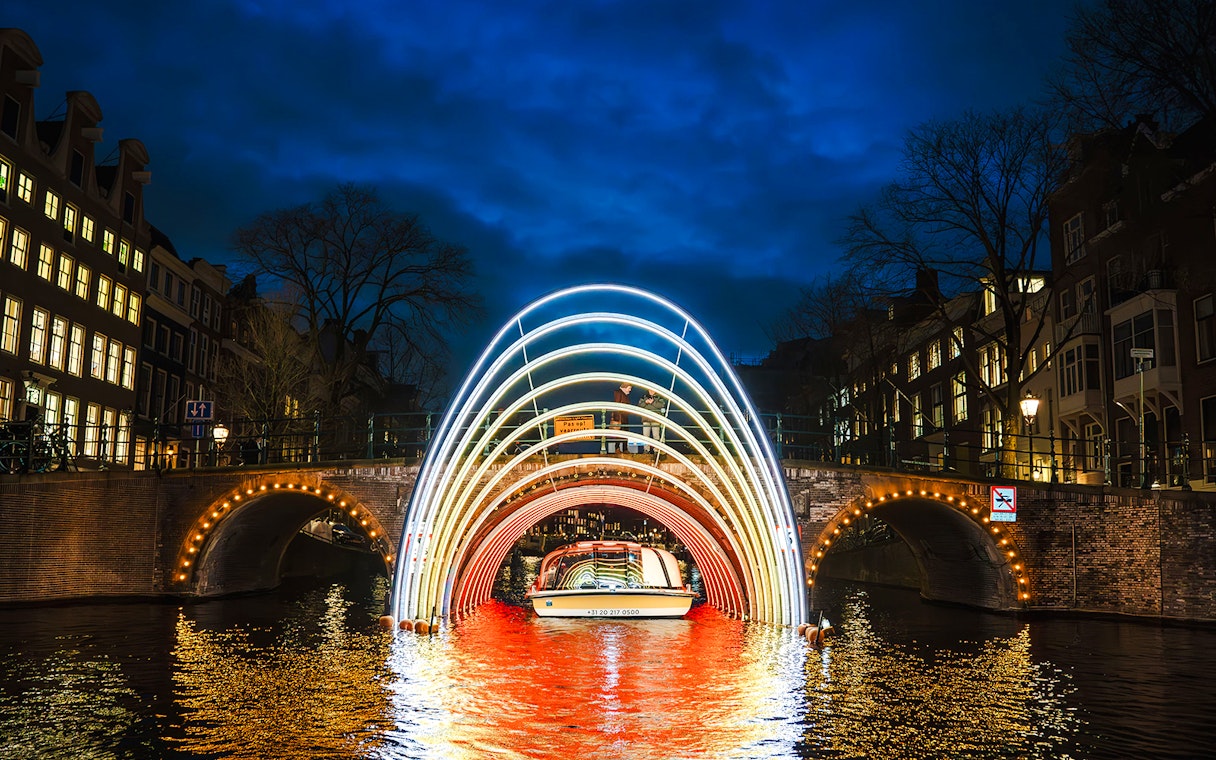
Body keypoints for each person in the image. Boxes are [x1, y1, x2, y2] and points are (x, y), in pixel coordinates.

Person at [608, 383, 632, 453]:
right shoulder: (619, 393)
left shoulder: (621, 394)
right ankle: (620, 448)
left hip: (622, 416)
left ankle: (622, 448)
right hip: (620, 417)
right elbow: (618, 405)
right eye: (629, 388)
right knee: (621, 433)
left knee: (623, 433)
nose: (630, 390)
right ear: (625, 387)